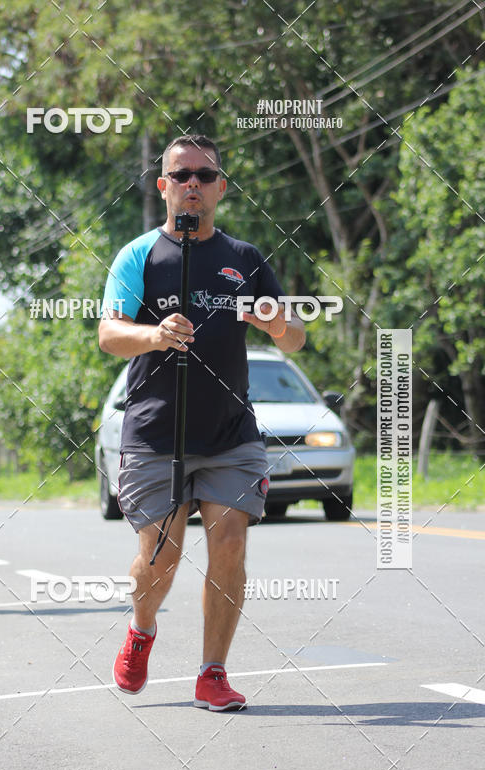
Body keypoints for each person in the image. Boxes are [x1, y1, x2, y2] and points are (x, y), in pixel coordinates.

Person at [99, 134, 305, 711]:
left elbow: (295, 336)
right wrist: (154, 334)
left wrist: (276, 324)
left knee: (230, 544)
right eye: (182, 175)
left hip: (230, 434)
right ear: (163, 185)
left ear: (220, 188)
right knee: (161, 556)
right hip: (156, 433)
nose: (194, 184)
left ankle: (213, 672)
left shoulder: (246, 258)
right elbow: (109, 334)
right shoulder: (139, 256)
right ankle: (142, 629)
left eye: (205, 176)